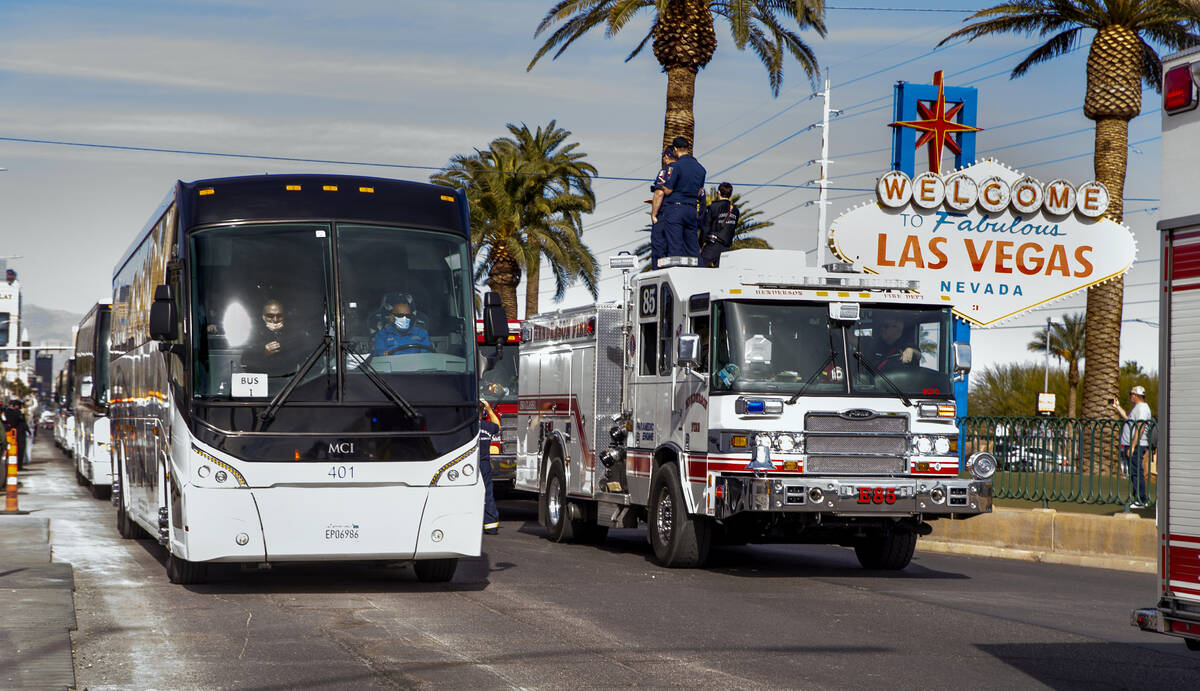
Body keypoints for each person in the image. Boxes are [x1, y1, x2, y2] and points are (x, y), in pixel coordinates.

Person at [650, 136, 706, 266]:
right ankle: (701, 273)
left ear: (675, 149)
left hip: (675, 210)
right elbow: (699, 192)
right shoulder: (700, 168)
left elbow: (668, 191)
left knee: (675, 248)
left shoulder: (676, 166)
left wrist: (662, 185)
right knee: (693, 248)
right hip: (691, 209)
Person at [240, 299, 312, 375]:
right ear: (264, 318)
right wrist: (264, 352)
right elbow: (245, 362)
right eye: (270, 316)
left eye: (279, 316)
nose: (275, 320)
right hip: (266, 381)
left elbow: (305, 356)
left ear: (283, 316)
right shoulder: (254, 335)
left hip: (291, 380)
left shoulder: (294, 333)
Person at [1112, 385, 1152, 509]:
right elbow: (1129, 419)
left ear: (1135, 396)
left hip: (1136, 445)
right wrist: (1118, 408)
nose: (1130, 397)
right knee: (1134, 472)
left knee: (1136, 472)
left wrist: (1133, 446)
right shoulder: (1138, 408)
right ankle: (1138, 498)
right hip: (1133, 444)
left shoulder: (1142, 409)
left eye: (1131, 395)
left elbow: (1140, 428)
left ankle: (1141, 499)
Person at [648, 146, 678, 269]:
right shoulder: (683, 171)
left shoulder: (665, 172)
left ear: (666, 156)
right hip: (681, 214)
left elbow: (659, 192)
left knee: (659, 248)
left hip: (665, 214)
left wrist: (654, 214)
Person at [700, 182, 739, 268]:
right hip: (726, 248)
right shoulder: (735, 210)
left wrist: (700, 244)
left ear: (719, 192)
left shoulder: (713, 207)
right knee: (720, 274)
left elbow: (705, 228)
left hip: (712, 245)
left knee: (700, 269)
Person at [479, 399, 501, 535]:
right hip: (485, 464)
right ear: (483, 412)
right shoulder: (488, 427)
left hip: (469, 464)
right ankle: (491, 526)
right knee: (487, 494)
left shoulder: (467, 427)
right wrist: (489, 409)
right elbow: (497, 425)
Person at [3, 399, 30, 470]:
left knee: (11, 450)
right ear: (17, 406)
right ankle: (18, 466)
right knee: (20, 450)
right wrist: (28, 431)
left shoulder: (5, 412)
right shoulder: (17, 412)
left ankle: (12, 465)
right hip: (19, 433)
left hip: (9, 433)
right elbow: (23, 423)